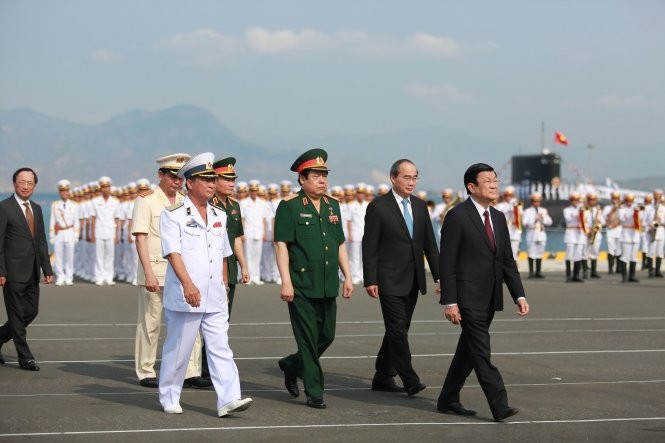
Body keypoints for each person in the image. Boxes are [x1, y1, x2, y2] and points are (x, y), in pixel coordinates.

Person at [158, 152, 252, 416]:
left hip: (214, 294)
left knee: (221, 347)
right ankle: (169, 395)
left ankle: (228, 399)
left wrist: (224, 285)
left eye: (214, 179)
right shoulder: (174, 215)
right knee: (180, 349)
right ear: (189, 183)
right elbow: (173, 253)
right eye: (205, 179)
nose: (212, 184)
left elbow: (223, 254)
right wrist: (188, 284)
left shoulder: (219, 214)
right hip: (187, 294)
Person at [438, 163, 529, 422]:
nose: (494, 185)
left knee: (468, 350)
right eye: (488, 181)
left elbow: (506, 262)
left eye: (496, 180)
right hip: (467, 297)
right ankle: (499, 404)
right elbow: (448, 262)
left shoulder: (498, 218)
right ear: (472, 187)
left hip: (490, 297)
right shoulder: (457, 216)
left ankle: (448, 398)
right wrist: (450, 301)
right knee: (481, 351)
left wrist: (519, 295)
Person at [274, 148, 353, 409]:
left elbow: (339, 243)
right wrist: (286, 281)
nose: (322, 180)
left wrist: (348, 276)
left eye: (324, 175)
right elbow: (282, 245)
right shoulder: (290, 207)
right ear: (302, 179)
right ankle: (315, 390)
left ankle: (291, 364)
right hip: (302, 285)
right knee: (307, 339)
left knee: (327, 335)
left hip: (327, 282)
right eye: (316, 176)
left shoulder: (333, 205)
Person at [362, 159, 440, 396]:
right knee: (397, 330)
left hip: (414, 278)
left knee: (399, 329)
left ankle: (383, 375)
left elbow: (430, 245)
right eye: (406, 177)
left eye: (415, 177)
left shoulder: (419, 206)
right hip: (388, 279)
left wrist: (441, 277)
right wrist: (370, 279)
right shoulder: (378, 207)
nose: (411, 182)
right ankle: (410, 379)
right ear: (393, 178)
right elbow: (370, 246)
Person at [132, 155, 211, 390]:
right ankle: (146, 370)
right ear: (160, 175)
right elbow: (141, 238)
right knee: (151, 323)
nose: (176, 182)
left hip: (182, 273)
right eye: (171, 177)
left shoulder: (186, 202)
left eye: (180, 178)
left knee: (190, 323)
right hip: (155, 270)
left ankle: (191, 371)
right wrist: (147, 272)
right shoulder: (146, 201)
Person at [0, 167, 54, 369]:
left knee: (31, 311)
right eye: (22, 182)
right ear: (14, 183)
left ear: (34, 186)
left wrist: (46, 269)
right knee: (16, 315)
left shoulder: (37, 209)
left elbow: (40, 241)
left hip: (32, 271)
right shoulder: (4, 208)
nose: (25, 186)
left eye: (29, 183)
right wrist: (1, 271)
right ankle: (25, 358)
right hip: (12, 273)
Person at [210, 156, 250, 314]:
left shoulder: (234, 206)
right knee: (211, 317)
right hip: (213, 267)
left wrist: (244, 266)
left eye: (233, 179)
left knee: (225, 315)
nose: (231, 183)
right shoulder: (206, 204)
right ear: (214, 180)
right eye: (226, 179)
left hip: (231, 268)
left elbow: (236, 238)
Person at [90, 176, 121, 285]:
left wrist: (117, 235)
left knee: (109, 255)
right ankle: (99, 277)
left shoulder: (116, 202)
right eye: (103, 187)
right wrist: (92, 233)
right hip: (99, 231)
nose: (105, 189)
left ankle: (108, 277)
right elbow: (93, 219)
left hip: (111, 232)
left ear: (110, 188)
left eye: (107, 187)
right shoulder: (95, 201)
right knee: (99, 255)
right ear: (101, 188)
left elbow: (117, 219)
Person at [49, 179, 80, 286]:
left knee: (70, 256)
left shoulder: (75, 205)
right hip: (59, 233)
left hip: (70, 232)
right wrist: (52, 235)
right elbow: (52, 221)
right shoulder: (55, 205)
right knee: (58, 256)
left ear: (69, 192)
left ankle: (69, 277)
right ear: (59, 192)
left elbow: (76, 221)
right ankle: (60, 276)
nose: (65, 193)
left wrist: (76, 235)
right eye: (62, 191)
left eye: (66, 191)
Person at [522, 193, 552, 278]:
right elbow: (524, 223)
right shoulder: (527, 211)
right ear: (532, 202)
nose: (537, 203)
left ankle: (538, 272)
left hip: (541, 234)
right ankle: (531, 272)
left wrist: (543, 219)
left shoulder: (543, 210)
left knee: (540, 253)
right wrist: (535, 219)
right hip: (532, 234)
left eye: (538, 201)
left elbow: (550, 222)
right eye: (535, 201)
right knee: (531, 253)